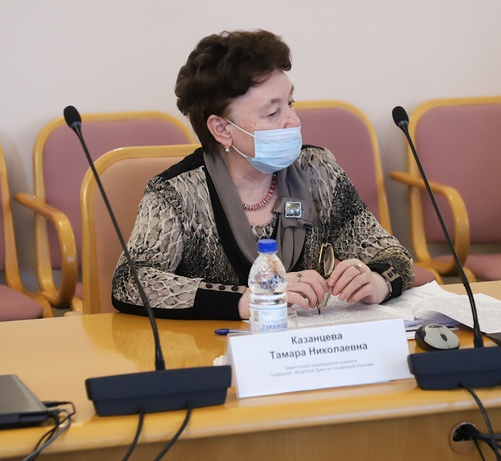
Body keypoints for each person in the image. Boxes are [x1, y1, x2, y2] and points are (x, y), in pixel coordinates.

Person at [112, 29, 414, 320]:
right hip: (213, 349)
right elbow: (130, 281)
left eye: (290, 104)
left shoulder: (318, 169)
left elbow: (391, 254)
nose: (292, 121)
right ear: (222, 128)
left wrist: (378, 281)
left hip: (312, 344)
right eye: (272, 113)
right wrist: (246, 299)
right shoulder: (176, 193)